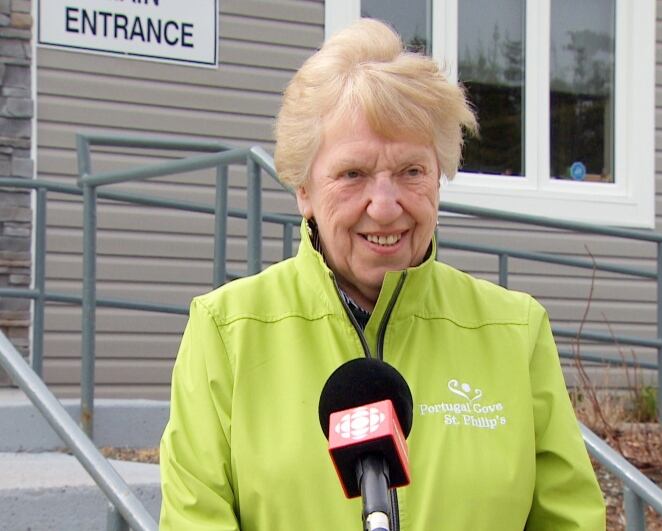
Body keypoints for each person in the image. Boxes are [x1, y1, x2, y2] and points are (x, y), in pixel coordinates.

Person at [159, 18, 605, 531]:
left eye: (411, 171)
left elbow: (570, 520)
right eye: (353, 174)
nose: (386, 206)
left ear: (440, 175)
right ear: (303, 188)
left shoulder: (514, 331)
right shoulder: (227, 332)